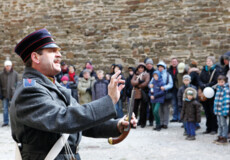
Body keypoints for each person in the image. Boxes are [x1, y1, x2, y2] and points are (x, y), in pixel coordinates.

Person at [10, 28, 137, 160]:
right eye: (52, 51)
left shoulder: (52, 85)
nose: (59, 55)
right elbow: (64, 119)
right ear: (35, 57)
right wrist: (109, 100)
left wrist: (116, 125)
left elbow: (80, 122)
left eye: (58, 51)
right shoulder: (29, 90)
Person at [199, 56, 222, 135]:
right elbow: (200, 79)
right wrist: (202, 85)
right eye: (207, 61)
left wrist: (207, 85)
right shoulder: (204, 70)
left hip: (212, 92)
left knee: (212, 112)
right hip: (205, 93)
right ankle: (208, 128)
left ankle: (214, 128)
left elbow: (216, 81)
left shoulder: (217, 70)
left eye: (209, 61)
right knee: (207, 112)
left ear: (213, 62)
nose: (208, 62)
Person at [150, 61, 173, 129]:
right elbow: (151, 83)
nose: (160, 68)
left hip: (165, 93)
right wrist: (150, 86)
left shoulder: (168, 75)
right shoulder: (155, 74)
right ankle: (160, 123)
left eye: (161, 67)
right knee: (159, 109)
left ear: (164, 67)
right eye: (159, 67)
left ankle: (165, 123)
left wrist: (165, 87)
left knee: (165, 109)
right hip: (157, 94)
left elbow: (171, 84)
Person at [0, 59, 18, 127]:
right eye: (7, 66)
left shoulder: (15, 74)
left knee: (13, 110)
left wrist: (16, 93)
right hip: (4, 94)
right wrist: (0, 94)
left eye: (9, 66)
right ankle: (6, 122)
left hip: (12, 94)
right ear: (5, 66)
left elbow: (17, 84)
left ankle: (14, 122)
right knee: (5, 109)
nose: (8, 67)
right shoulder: (1, 74)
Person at [131, 63, 150, 128]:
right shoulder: (135, 74)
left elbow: (146, 83)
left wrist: (138, 85)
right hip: (136, 93)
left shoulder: (147, 74)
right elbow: (132, 82)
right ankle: (134, 122)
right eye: (139, 68)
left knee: (143, 109)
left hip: (143, 93)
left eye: (142, 68)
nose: (141, 69)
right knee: (135, 109)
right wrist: (139, 82)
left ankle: (142, 122)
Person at [213, 75, 230, 144]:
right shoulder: (218, 89)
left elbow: (226, 101)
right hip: (218, 110)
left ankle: (224, 137)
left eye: (222, 82)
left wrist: (225, 111)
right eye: (219, 82)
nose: (220, 83)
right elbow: (216, 100)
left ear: (225, 82)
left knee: (223, 124)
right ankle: (219, 136)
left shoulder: (226, 89)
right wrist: (215, 109)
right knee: (219, 124)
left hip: (223, 111)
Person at [168, 58, 179, 123]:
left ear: (177, 62)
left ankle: (180, 117)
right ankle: (175, 117)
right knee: (174, 104)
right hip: (172, 89)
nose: (174, 63)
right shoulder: (169, 70)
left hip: (179, 88)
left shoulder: (180, 69)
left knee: (180, 103)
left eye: (175, 61)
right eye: (173, 62)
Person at [145, 58, 155, 126]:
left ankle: (151, 120)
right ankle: (145, 120)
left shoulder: (155, 72)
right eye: (148, 64)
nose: (149, 65)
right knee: (145, 106)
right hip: (145, 91)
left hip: (152, 91)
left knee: (152, 107)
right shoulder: (144, 71)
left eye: (150, 64)